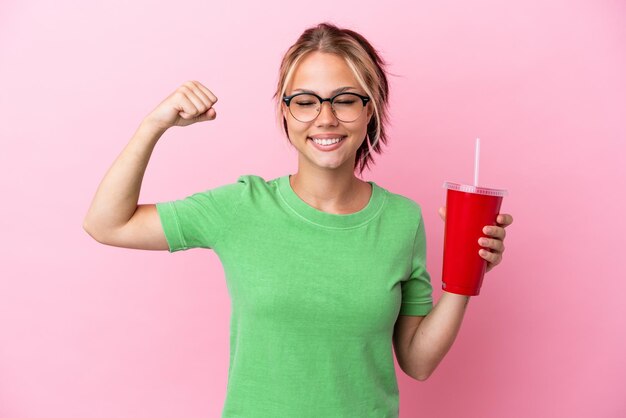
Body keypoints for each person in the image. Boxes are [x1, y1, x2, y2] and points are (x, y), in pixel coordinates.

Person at [83, 22, 513, 418]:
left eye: (345, 100)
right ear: (286, 113)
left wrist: (466, 277)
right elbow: (107, 224)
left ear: (371, 110)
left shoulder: (402, 219)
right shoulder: (242, 207)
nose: (325, 118)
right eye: (306, 102)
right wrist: (153, 125)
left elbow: (417, 363)